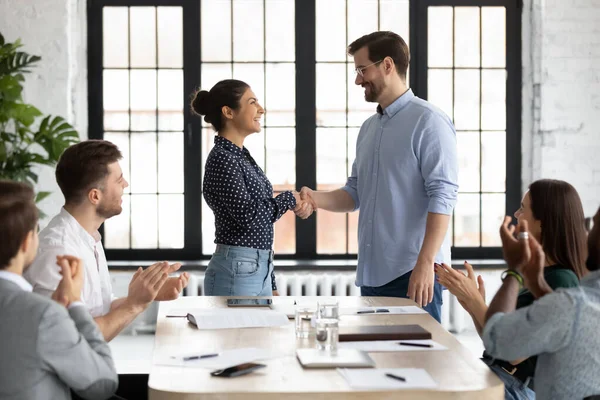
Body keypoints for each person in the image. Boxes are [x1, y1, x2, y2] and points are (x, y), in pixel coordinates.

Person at [298, 31, 458, 322]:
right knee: (377, 363)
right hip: (372, 274)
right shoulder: (369, 128)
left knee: (416, 363)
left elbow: (443, 196)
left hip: (413, 274)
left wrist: (426, 263)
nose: (358, 79)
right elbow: (355, 193)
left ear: (387, 65)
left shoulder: (429, 121)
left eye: (362, 69)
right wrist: (313, 198)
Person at [436, 179, 588, 399]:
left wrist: (475, 302)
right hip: (499, 374)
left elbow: (515, 352)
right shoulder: (539, 273)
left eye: (523, 209)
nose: (516, 215)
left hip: (516, 388)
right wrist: (472, 304)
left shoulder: (562, 280)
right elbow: (496, 344)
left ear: (543, 222)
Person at [25, 140, 189, 341]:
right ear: (95, 196)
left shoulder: (88, 237)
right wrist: (134, 304)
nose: (125, 185)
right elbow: (74, 339)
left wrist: (147, 295)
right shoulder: (58, 250)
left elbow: (98, 310)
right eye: (119, 180)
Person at [191, 79, 311, 296]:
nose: (261, 109)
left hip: (255, 267)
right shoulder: (223, 158)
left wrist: (270, 279)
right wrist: (289, 198)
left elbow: (260, 227)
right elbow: (249, 216)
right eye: (252, 102)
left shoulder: (240, 156)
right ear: (228, 112)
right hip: (237, 269)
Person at [0, 180, 118, 400]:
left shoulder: (44, 312)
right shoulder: (43, 315)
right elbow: (103, 384)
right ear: (27, 242)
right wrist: (74, 303)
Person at [481, 205, 600, 400]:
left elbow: (496, 339)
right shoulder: (574, 304)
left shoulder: (573, 305)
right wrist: (537, 284)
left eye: (593, 224)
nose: (586, 232)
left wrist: (515, 271)